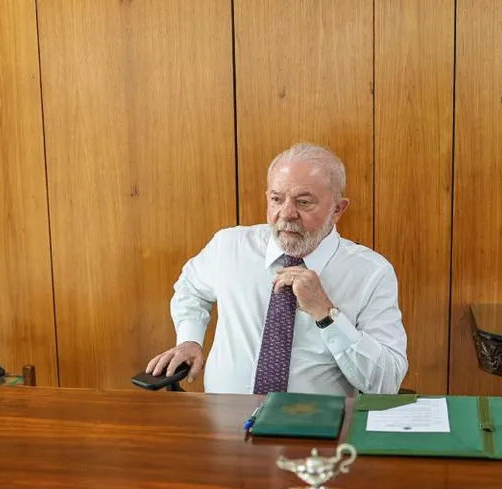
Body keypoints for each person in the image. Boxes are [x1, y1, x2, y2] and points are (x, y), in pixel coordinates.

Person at [147, 143, 407, 396]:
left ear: (338, 209)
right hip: (224, 423)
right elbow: (190, 288)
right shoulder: (229, 247)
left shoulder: (372, 273)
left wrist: (326, 314)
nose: (287, 213)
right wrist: (190, 339)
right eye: (276, 199)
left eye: (304, 202)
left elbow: (386, 382)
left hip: (318, 428)